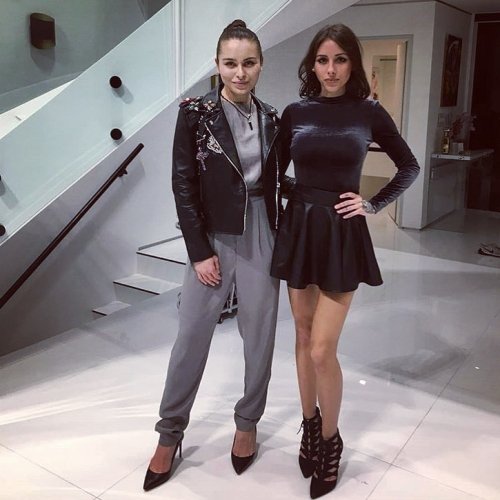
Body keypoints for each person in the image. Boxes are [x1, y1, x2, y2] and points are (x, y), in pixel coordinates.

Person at [270, 24, 420, 499]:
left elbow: (409, 165)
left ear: (352, 63)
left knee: (321, 348)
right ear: (311, 65)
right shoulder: (295, 113)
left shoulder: (368, 112)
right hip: (301, 229)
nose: (330, 69)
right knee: (301, 335)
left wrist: (372, 204)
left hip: (341, 233)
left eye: (339, 59)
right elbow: (273, 172)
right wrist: (298, 194)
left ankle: (331, 441)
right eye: (322, 60)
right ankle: (310, 426)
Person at [144, 20, 287, 491]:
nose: (239, 73)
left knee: (259, 334)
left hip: (262, 230)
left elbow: (277, 179)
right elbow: (183, 184)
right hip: (214, 236)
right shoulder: (196, 114)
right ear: (217, 65)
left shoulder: (272, 117)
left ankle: (247, 423)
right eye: (230, 64)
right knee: (191, 335)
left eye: (249, 63)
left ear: (260, 65)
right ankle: (169, 433)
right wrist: (199, 251)